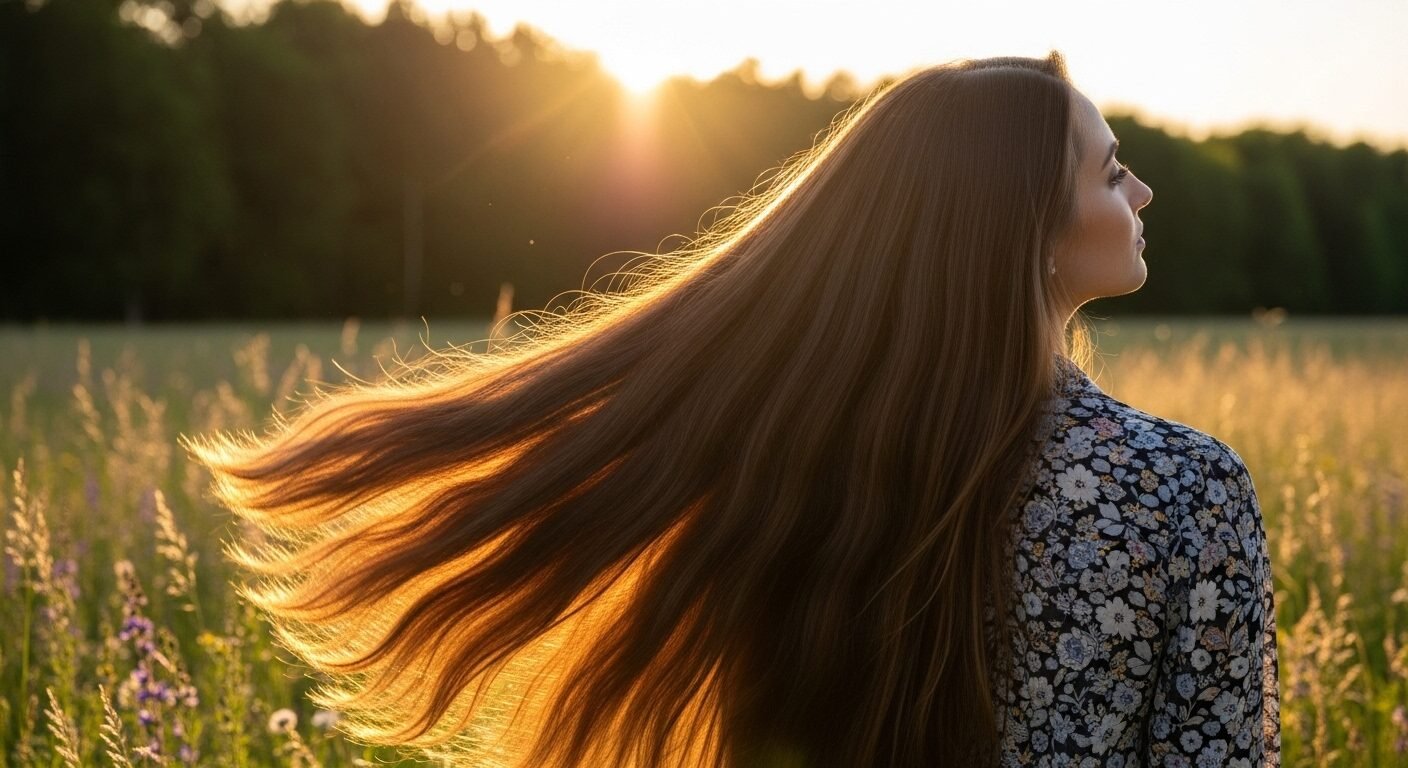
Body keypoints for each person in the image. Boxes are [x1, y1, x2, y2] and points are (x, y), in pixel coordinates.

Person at [185, 51, 1279, 767]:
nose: (1140, 193)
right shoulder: (1183, 489)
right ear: (1027, 234)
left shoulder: (800, 463)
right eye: (1111, 171)